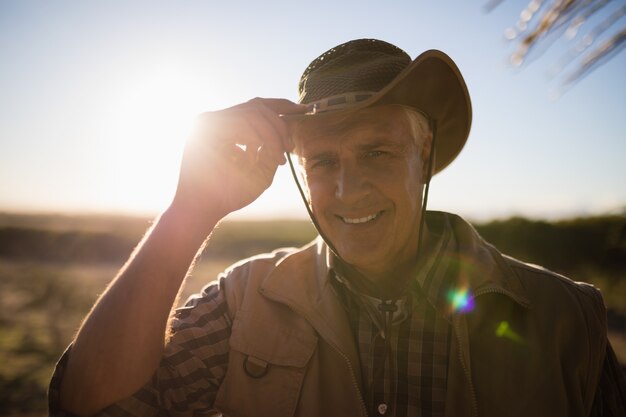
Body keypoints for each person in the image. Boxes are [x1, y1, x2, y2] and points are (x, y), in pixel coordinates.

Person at [49, 39, 625, 417]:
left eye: (377, 152)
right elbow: (90, 403)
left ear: (423, 154)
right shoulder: (243, 303)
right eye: (323, 163)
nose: (348, 192)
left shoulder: (567, 321)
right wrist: (190, 210)